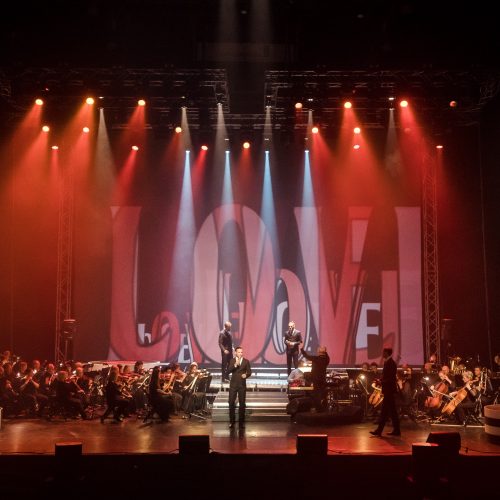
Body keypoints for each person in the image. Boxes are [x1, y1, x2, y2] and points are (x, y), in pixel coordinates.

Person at [370, 347, 401, 437]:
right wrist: (380, 380)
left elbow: (391, 378)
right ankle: (395, 430)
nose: (382, 354)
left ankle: (380, 430)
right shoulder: (388, 362)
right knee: (391, 411)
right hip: (388, 390)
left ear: (387, 353)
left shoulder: (391, 363)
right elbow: (386, 376)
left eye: (383, 352)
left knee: (386, 411)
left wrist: (381, 382)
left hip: (389, 390)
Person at [300, 345, 330, 412]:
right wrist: (324, 350)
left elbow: (306, 356)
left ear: (318, 352)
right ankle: (323, 408)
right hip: (322, 379)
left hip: (316, 379)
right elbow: (327, 356)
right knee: (322, 394)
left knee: (316, 395)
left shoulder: (316, 359)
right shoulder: (326, 360)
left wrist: (301, 349)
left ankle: (318, 409)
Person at [228, 346, 252, 428]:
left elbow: (249, 372)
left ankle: (241, 422)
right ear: (235, 352)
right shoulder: (232, 361)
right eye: (239, 352)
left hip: (242, 385)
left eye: (241, 352)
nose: (240, 353)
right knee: (231, 402)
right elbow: (228, 371)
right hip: (233, 385)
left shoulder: (246, 361)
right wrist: (235, 365)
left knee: (242, 404)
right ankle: (232, 421)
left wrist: (246, 375)